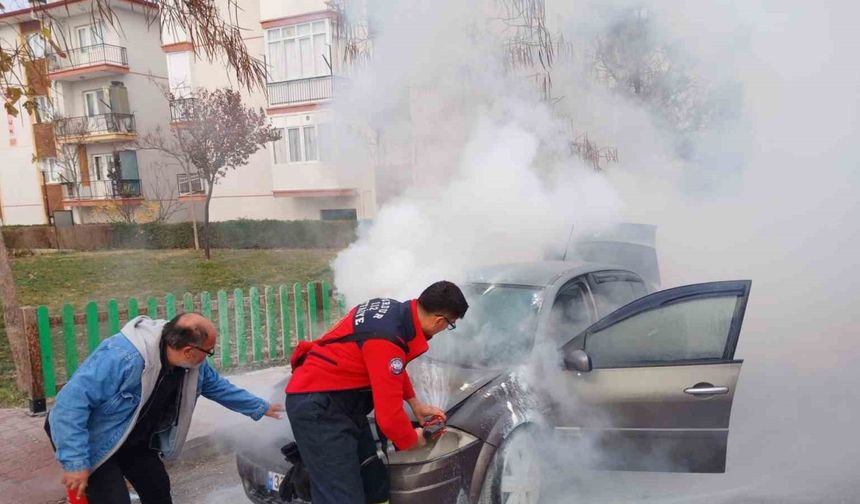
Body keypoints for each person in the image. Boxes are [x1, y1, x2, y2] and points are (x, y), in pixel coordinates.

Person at [45, 312, 284, 504]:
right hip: (92, 439)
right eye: (209, 351)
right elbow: (68, 406)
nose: (209, 357)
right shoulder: (123, 356)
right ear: (189, 350)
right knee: (111, 497)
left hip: (132, 438)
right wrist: (75, 462)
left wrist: (260, 408)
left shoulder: (193, 365)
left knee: (157, 489)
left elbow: (218, 387)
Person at [285, 280, 470, 504]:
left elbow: (393, 368)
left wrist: (415, 405)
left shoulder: (392, 312)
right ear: (440, 320)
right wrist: (413, 440)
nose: (445, 330)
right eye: (450, 325)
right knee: (340, 495)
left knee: (371, 477)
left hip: (337, 401)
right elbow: (389, 418)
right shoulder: (387, 340)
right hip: (320, 408)